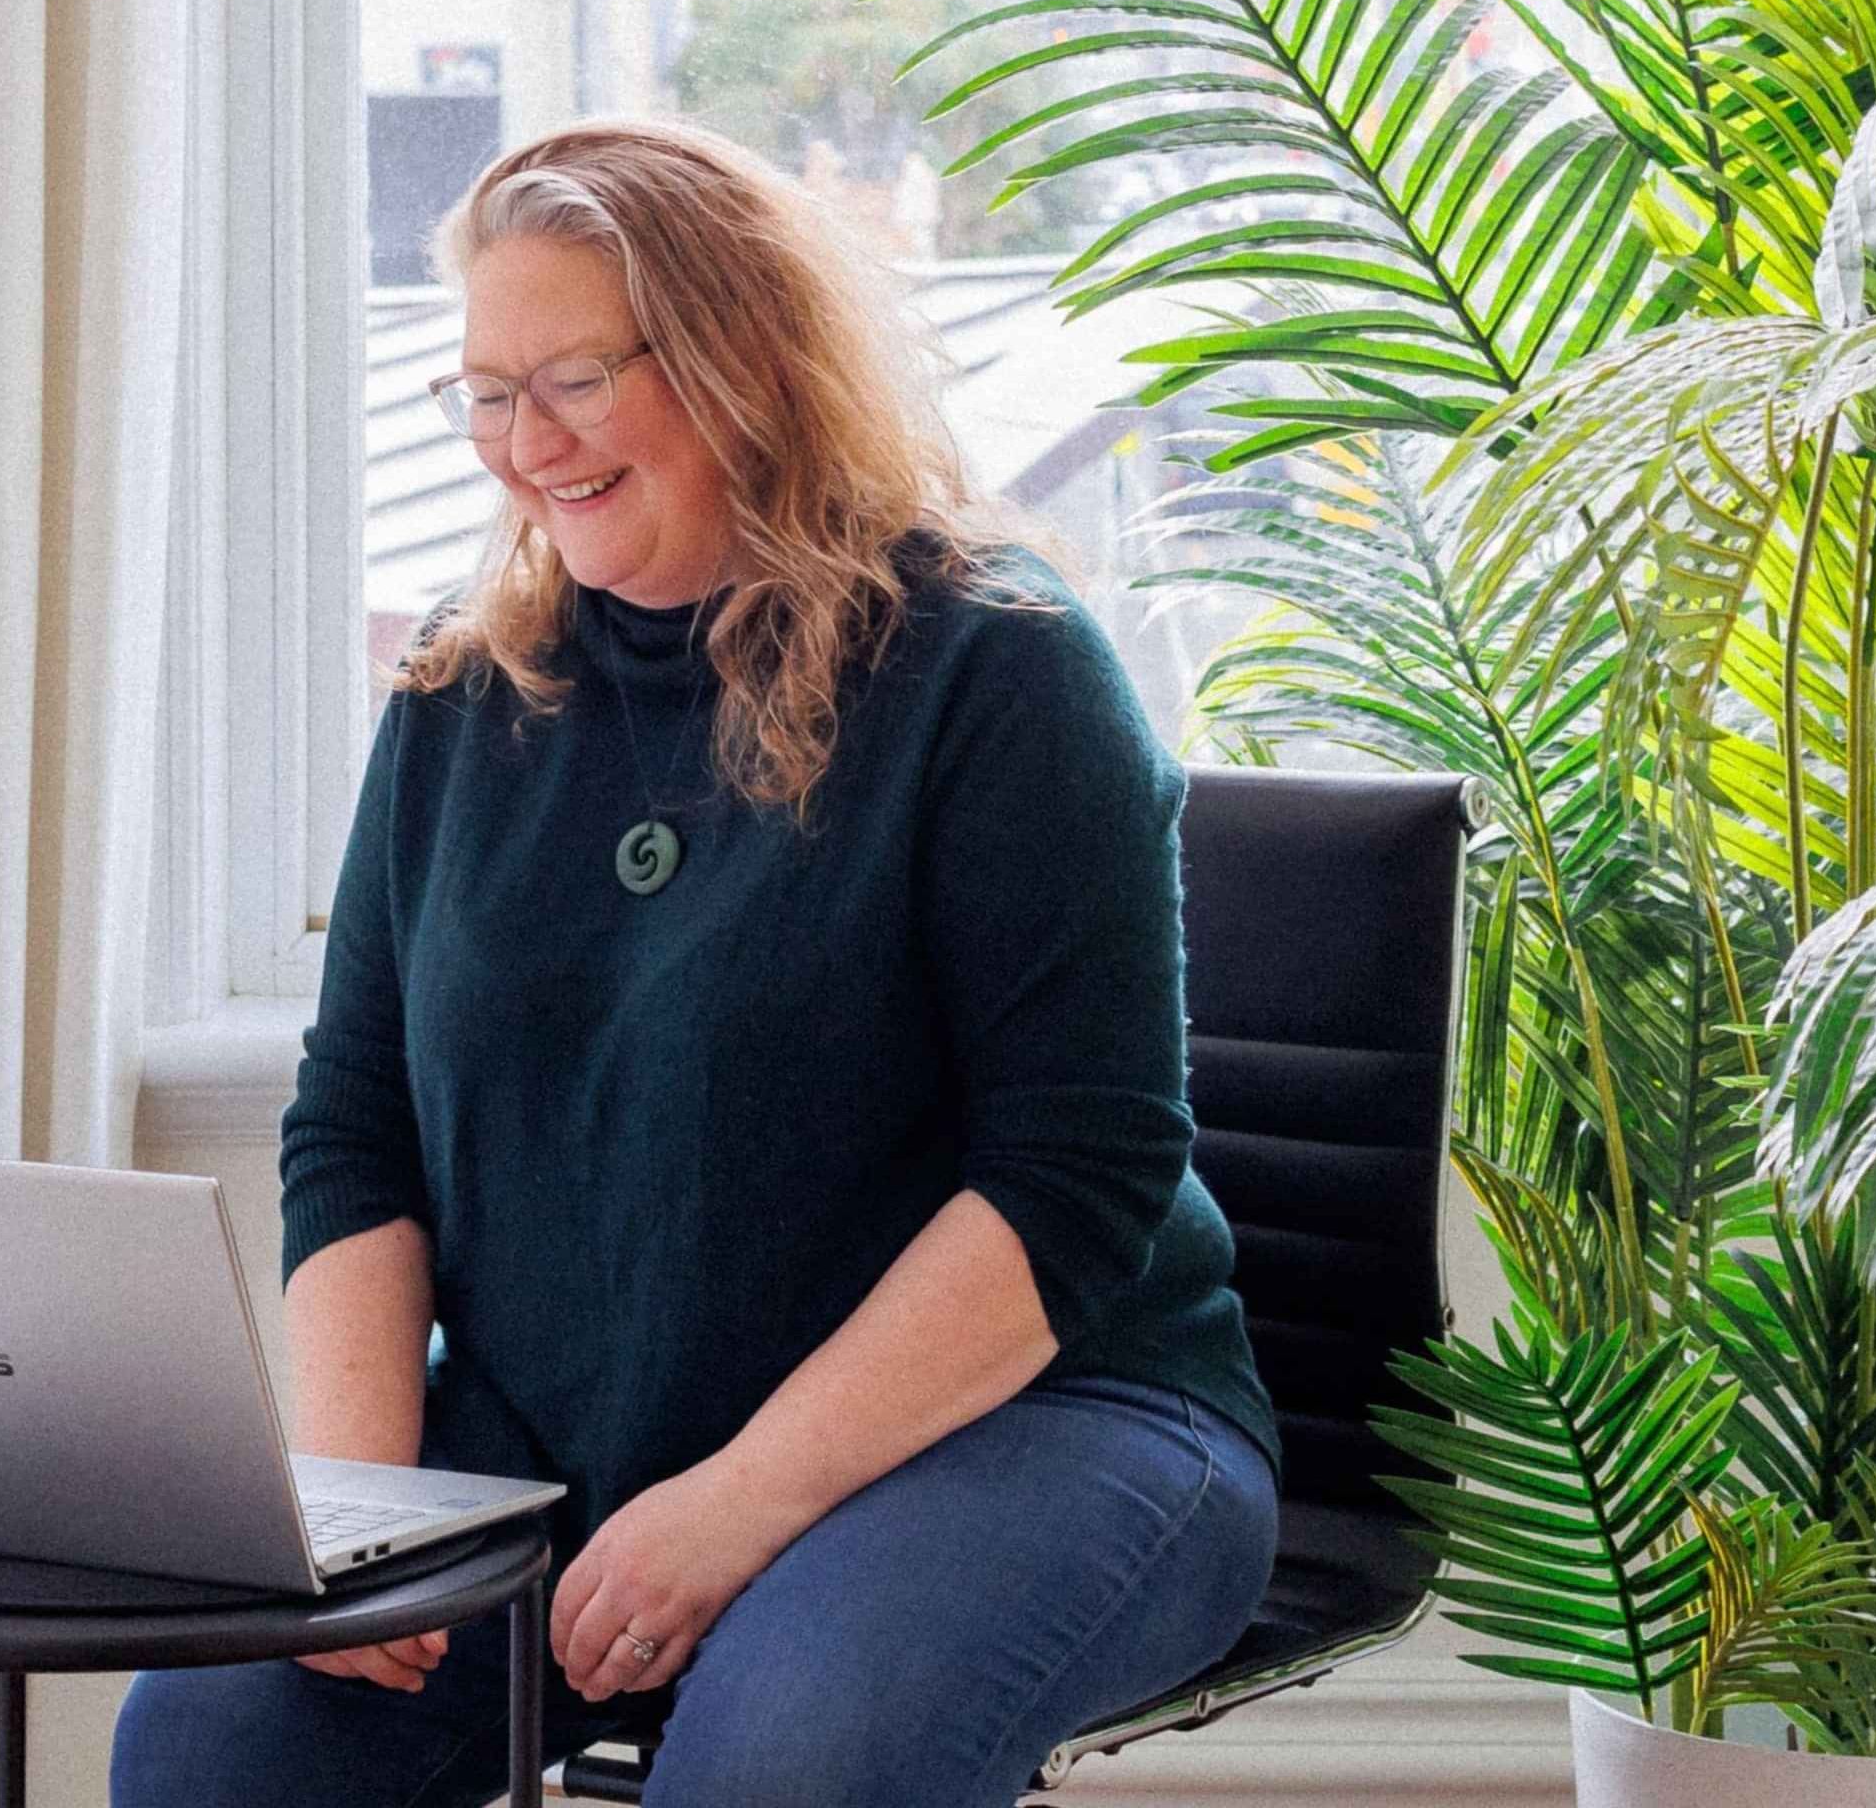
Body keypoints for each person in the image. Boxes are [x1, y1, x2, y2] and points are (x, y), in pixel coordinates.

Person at [113, 118, 1276, 1808]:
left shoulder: (997, 670)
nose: (526, 445)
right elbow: (355, 1125)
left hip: (1043, 1417)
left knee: (785, 1761)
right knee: (220, 1738)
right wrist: (354, 1502)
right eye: (488, 392)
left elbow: (1076, 1183)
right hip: (567, 1436)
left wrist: (742, 1503)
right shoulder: (462, 700)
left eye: (574, 378)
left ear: (744, 359)